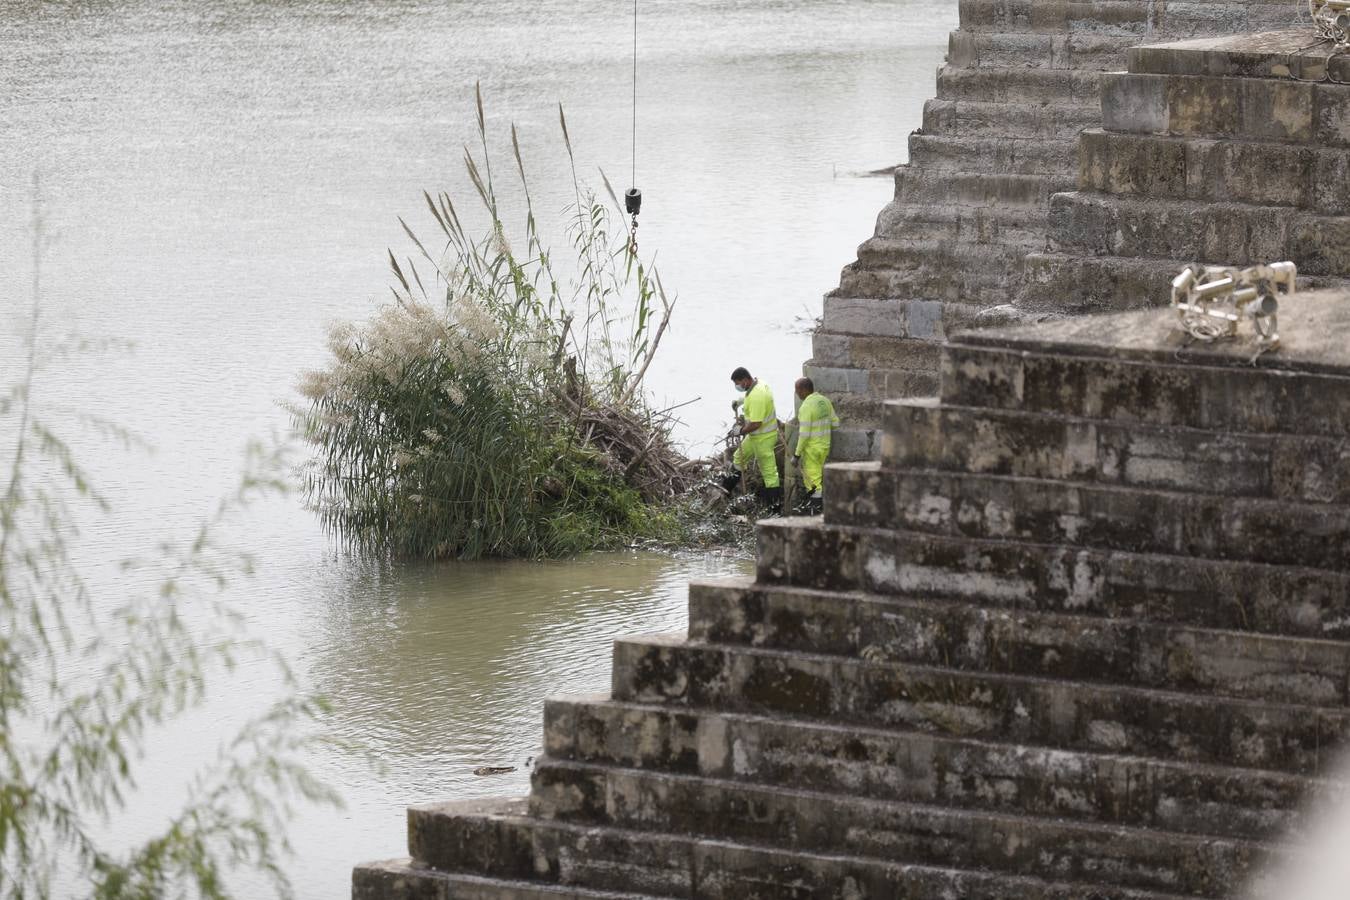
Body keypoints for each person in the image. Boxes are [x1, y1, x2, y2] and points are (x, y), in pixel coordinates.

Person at [725, 366, 782, 512]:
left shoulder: (757, 395)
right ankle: (724, 492)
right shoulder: (758, 384)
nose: (736, 386)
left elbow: (756, 423)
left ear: (745, 380)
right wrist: (740, 401)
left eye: (737, 383)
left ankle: (774, 512)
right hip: (755, 437)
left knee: (770, 474)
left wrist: (740, 430)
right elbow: (750, 396)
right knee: (738, 458)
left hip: (764, 438)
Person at [792, 377, 838, 514]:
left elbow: (804, 434)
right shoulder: (824, 401)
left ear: (804, 390)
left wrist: (796, 455)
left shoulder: (806, 407)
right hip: (824, 447)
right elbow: (836, 423)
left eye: (797, 390)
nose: (797, 393)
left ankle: (816, 516)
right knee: (817, 478)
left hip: (812, 450)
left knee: (813, 484)